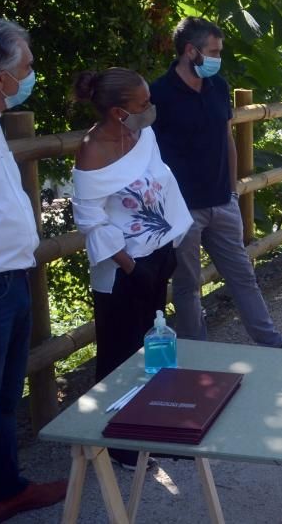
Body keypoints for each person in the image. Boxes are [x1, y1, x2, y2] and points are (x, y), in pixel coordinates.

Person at [71, 67, 193, 470]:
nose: (150, 109)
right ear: (119, 112)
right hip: (123, 267)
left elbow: (160, 184)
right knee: (118, 352)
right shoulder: (92, 149)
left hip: (158, 253)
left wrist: (171, 241)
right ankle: (117, 443)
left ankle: (149, 429)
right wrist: (127, 263)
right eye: (143, 104)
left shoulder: (144, 136)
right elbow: (90, 219)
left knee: (150, 349)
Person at [150, 18, 282, 348]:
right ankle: (196, 351)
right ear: (191, 51)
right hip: (182, 208)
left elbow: (226, 137)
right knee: (187, 285)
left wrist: (231, 190)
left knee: (243, 275)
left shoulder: (218, 85)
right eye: (213, 52)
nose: (218, 58)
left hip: (221, 200)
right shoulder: (159, 93)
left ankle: (271, 343)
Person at [0, 17, 67, 521]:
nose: (33, 76)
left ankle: (7, 489)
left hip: (10, 281)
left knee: (2, 403)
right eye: (27, 68)